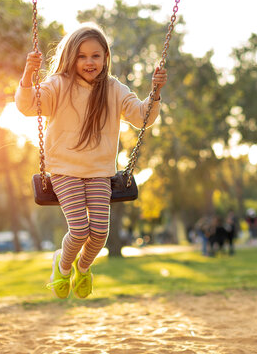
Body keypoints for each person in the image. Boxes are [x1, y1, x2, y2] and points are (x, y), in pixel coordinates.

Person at [15, 23, 168, 299]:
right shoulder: (58, 85)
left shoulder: (114, 89)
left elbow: (141, 116)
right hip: (65, 170)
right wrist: (29, 74)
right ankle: (62, 266)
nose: (89, 62)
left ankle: (83, 269)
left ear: (105, 57)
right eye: (82, 56)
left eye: (95, 56)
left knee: (99, 232)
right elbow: (28, 106)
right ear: (71, 57)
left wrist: (155, 92)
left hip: (99, 172)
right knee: (80, 228)